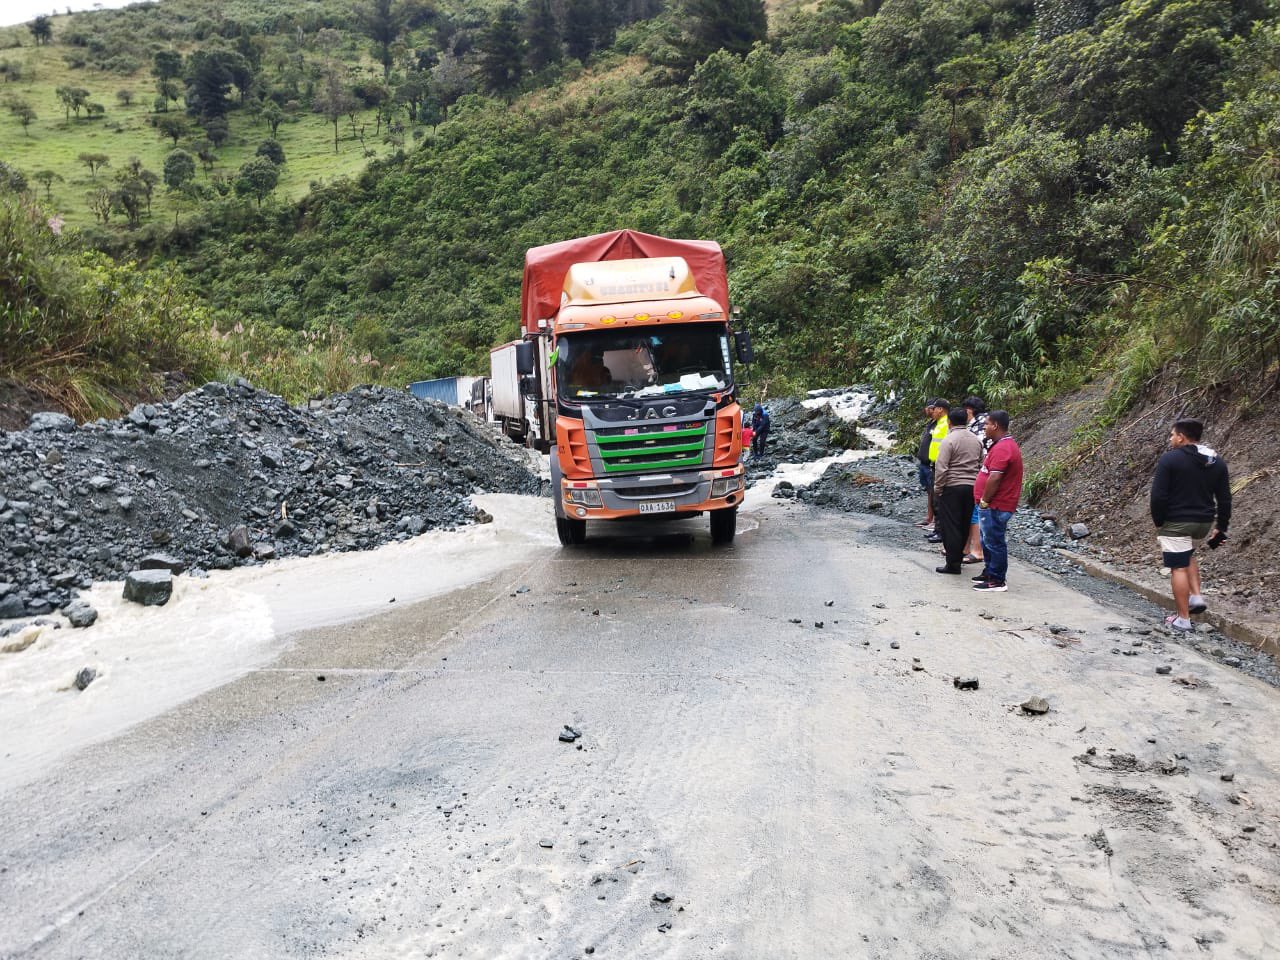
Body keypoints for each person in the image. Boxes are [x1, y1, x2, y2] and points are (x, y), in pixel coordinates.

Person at [1150, 417, 1232, 631]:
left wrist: (1159, 521)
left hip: (1176, 522)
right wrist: (1220, 526)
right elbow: (1224, 497)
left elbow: (1158, 495)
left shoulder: (1170, 460)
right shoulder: (1216, 461)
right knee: (1188, 555)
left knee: (1177, 566)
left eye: (1172, 435)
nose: (1171, 438)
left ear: (1181, 437)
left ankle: (1183, 619)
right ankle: (1195, 597)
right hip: (1203, 523)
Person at [972, 410, 1023, 592]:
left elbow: (995, 477)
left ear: (995, 426)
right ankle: (989, 571)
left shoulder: (1004, 448)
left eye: (986, 424)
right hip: (992, 504)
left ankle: (997, 579)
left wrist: (985, 500)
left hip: (996, 504)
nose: (984, 427)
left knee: (994, 541)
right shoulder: (1000, 445)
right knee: (987, 539)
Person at [932, 408, 983, 574]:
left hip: (952, 487)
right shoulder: (976, 440)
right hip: (971, 487)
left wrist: (938, 488)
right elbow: (980, 464)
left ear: (949, 422)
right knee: (964, 523)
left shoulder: (949, 440)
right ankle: (959, 557)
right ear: (966, 421)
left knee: (951, 525)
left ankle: (953, 563)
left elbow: (942, 467)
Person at [962, 396, 990, 565]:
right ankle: (967, 548)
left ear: (969, 410)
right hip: (981, 473)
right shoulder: (981, 423)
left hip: (979, 474)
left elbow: (979, 451)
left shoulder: (979, 426)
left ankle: (977, 550)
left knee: (975, 513)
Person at [924, 399, 950, 543]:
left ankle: (941, 532)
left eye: (935, 409)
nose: (932, 412)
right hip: (935, 464)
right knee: (935, 499)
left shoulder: (946, 423)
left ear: (940, 409)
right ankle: (937, 529)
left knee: (939, 500)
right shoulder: (939, 423)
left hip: (941, 466)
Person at [915, 402, 937, 530]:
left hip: (931, 463)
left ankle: (934, 520)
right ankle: (929, 518)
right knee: (929, 491)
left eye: (929, 408)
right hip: (924, 462)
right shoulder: (931, 423)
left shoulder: (940, 424)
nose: (926, 410)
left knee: (933, 491)